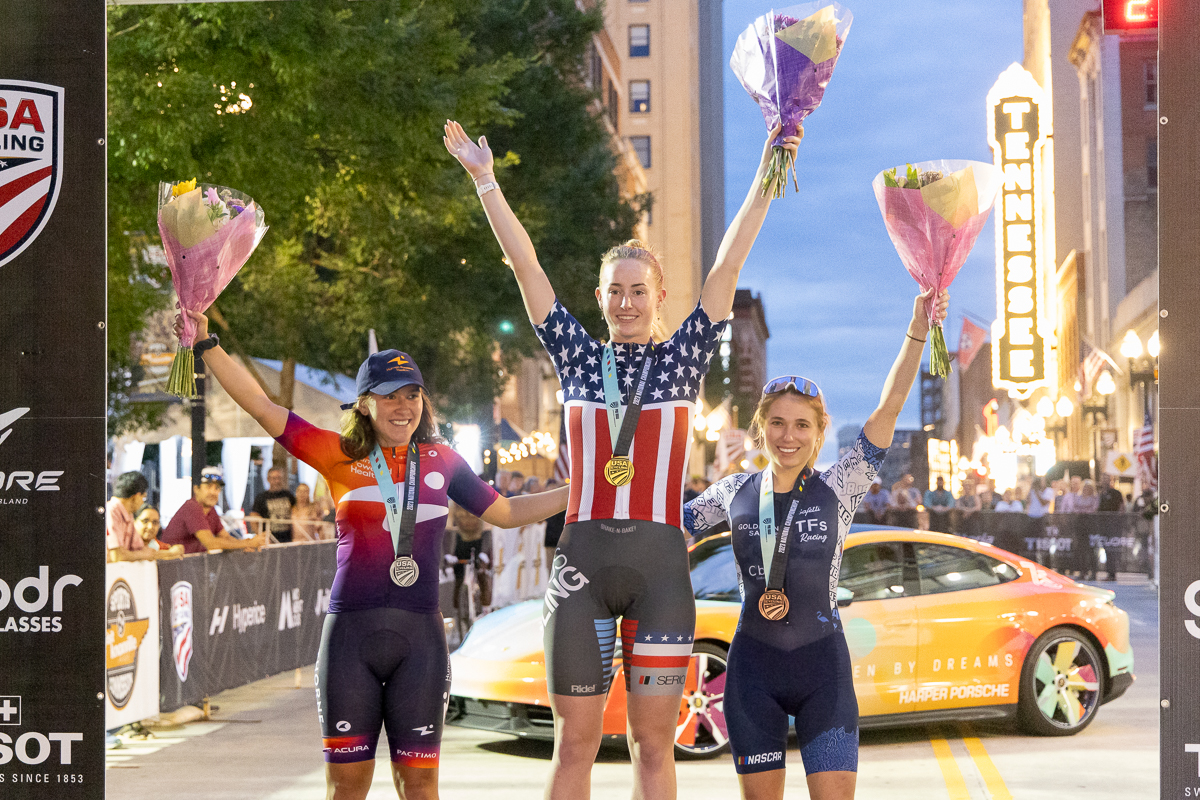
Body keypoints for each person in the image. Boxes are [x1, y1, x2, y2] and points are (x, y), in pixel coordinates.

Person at [444, 116, 799, 800]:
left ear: (660, 298)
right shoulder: (577, 357)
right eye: (615, 290)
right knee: (574, 745)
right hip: (580, 569)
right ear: (600, 297)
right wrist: (486, 182)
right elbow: (527, 267)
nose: (627, 302)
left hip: (661, 573)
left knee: (652, 747)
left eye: (639, 291)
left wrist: (769, 165)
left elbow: (728, 263)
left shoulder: (683, 358)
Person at [181, 308, 568, 800]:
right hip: (350, 641)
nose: (403, 407)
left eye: (412, 395)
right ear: (364, 405)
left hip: (421, 643)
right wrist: (207, 344)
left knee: (421, 787)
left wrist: (580, 491)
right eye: (389, 396)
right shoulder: (337, 454)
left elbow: (507, 512)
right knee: (347, 788)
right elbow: (261, 405)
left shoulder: (443, 461)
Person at [683, 289, 947, 800]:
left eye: (801, 425)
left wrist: (918, 328)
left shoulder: (840, 485)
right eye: (777, 423)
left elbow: (890, 406)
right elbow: (668, 530)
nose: (789, 436)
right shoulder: (733, 491)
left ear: (820, 431)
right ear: (761, 428)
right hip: (752, 673)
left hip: (824, 671)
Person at [160, 468, 268, 554]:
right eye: (208, 487)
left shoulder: (211, 510)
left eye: (217, 488)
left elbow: (225, 537)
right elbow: (211, 543)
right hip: (173, 568)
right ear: (196, 489)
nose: (213, 492)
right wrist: (247, 543)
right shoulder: (192, 507)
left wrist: (246, 545)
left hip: (189, 568)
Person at [107, 472, 180, 561]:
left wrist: (171, 553)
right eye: (143, 498)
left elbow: (141, 549)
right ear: (137, 496)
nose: (142, 502)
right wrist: (144, 554)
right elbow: (117, 556)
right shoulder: (111, 512)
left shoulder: (128, 514)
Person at [247, 466, 297, 543]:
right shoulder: (261, 497)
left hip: (287, 539)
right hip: (270, 539)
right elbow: (253, 518)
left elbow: (297, 512)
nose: (277, 481)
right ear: (268, 479)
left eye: (279, 478)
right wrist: (261, 536)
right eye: (274, 478)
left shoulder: (288, 495)